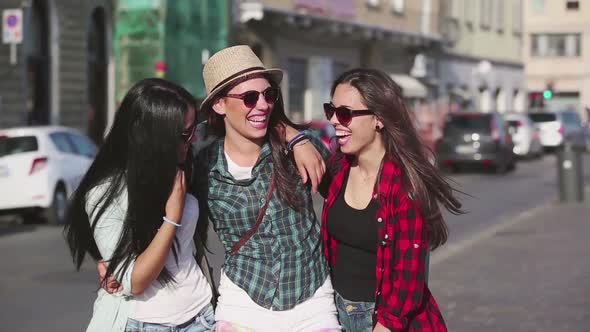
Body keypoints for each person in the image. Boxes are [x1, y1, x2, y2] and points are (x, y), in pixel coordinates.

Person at [194, 45, 340, 332]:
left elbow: (349, 201)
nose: (262, 105)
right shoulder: (203, 166)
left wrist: (297, 138)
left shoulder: (299, 149)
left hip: (312, 300)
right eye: (249, 97)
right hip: (243, 302)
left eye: (268, 94)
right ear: (219, 104)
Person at [64, 78, 215, 332]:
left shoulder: (184, 167)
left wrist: (294, 139)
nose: (192, 141)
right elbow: (136, 281)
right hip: (146, 324)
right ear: (155, 137)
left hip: (202, 317)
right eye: (184, 134)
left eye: (194, 129)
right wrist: (171, 218)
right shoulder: (105, 194)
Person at [321, 69, 463, 332]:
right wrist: (296, 141)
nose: (334, 121)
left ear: (378, 119)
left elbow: (408, 280)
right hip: (336, 314)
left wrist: (385, 326)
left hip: (384, 321)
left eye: (345, 114)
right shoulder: (338, 168)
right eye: (331, 110)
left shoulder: (404, 187)